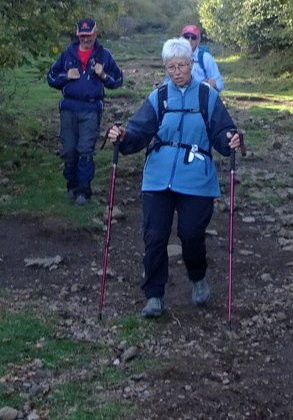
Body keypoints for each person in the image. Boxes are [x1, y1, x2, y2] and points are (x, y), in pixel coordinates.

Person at [105, 37, 244, 318]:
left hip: (196, 177)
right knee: (155, 236)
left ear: (191, 64)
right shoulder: (158, 97)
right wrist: (122, 136)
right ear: (165, 67)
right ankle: (154, 296)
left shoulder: (207, 96)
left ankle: (198, 276)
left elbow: (222, 132)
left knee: (191, 234)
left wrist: (231, 138)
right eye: (171, 67)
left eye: (182, 65)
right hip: (158, 176)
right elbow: (138, 131)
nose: (177, 71)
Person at [47, 18, 124, 205]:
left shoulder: (104, 55)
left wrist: (103, 75)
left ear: (95, 34)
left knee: (85, 150)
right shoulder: (68, 53)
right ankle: (71, 187)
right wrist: (66, 76)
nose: (86, 39)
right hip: (68, 108)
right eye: (82, 36)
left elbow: (118, 80)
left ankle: (83, 191)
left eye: (89, 35)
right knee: (69, 150)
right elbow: (51, 77)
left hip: (91, 109)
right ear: (77, 35)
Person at [179, 23, 223, 91]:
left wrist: (212, 84)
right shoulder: (175, 57)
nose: (189, 40)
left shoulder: (206, 58)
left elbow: (219, 84)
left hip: (201, 95)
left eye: (193, 37)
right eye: (186, 37)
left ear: (198, 40)